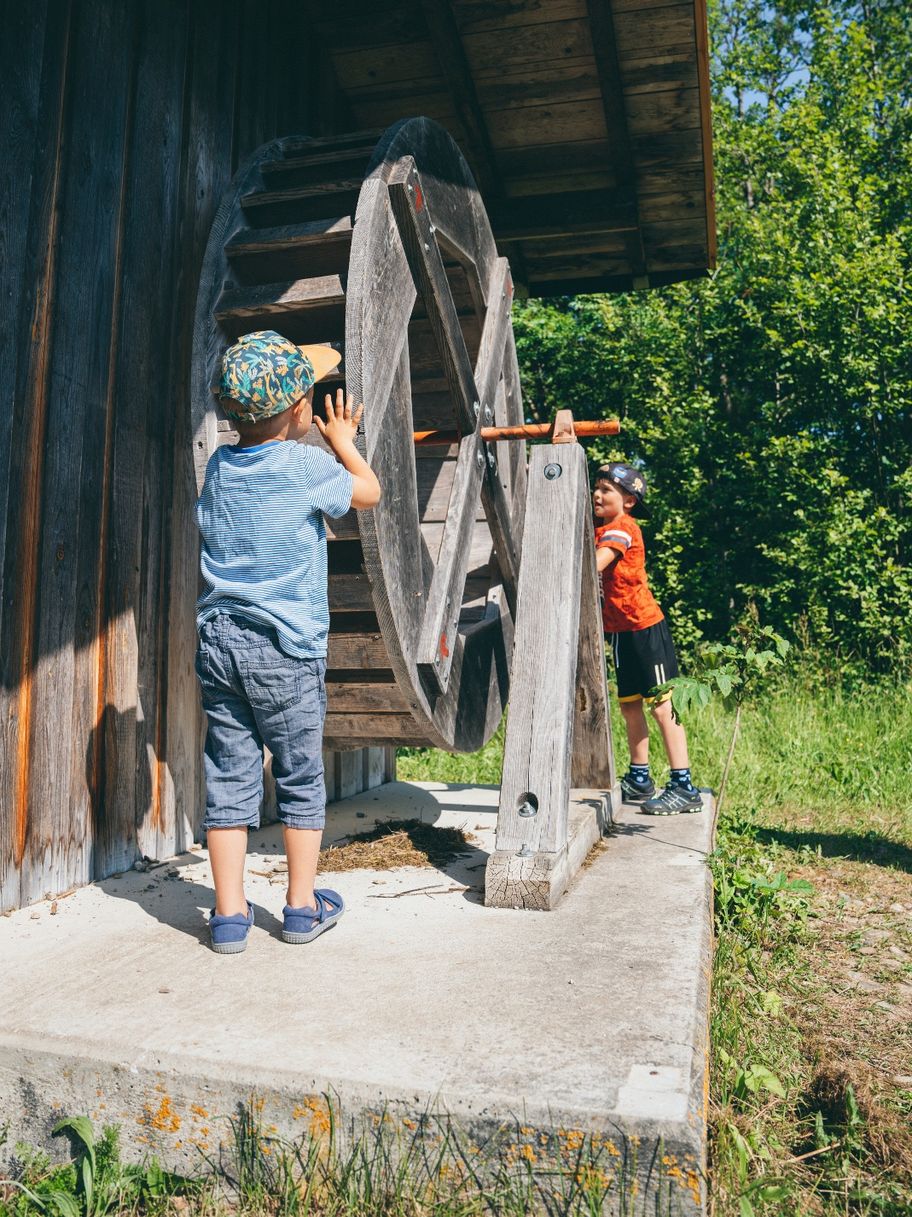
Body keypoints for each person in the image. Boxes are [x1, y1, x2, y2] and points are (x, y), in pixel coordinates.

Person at [195, 330, 381, 953]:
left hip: (219, 641)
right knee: (299, 776)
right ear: (302, 410)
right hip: (285, 647)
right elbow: (370, 495)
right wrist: (344, 445)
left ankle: (227, 916)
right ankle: (300, 908)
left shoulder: (221, 465)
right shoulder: (307, 465)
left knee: (229, 776)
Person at [593, 462, 702, 815]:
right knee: (628, 704)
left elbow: (596, 564)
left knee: (662, 706)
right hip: (622, 633)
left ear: (628, 501)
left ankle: (683, 785)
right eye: (596, 488)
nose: (596, 494)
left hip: (644, 628)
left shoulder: (623, 529)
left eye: (606, 490)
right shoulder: (600, 528)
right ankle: (640, 776)